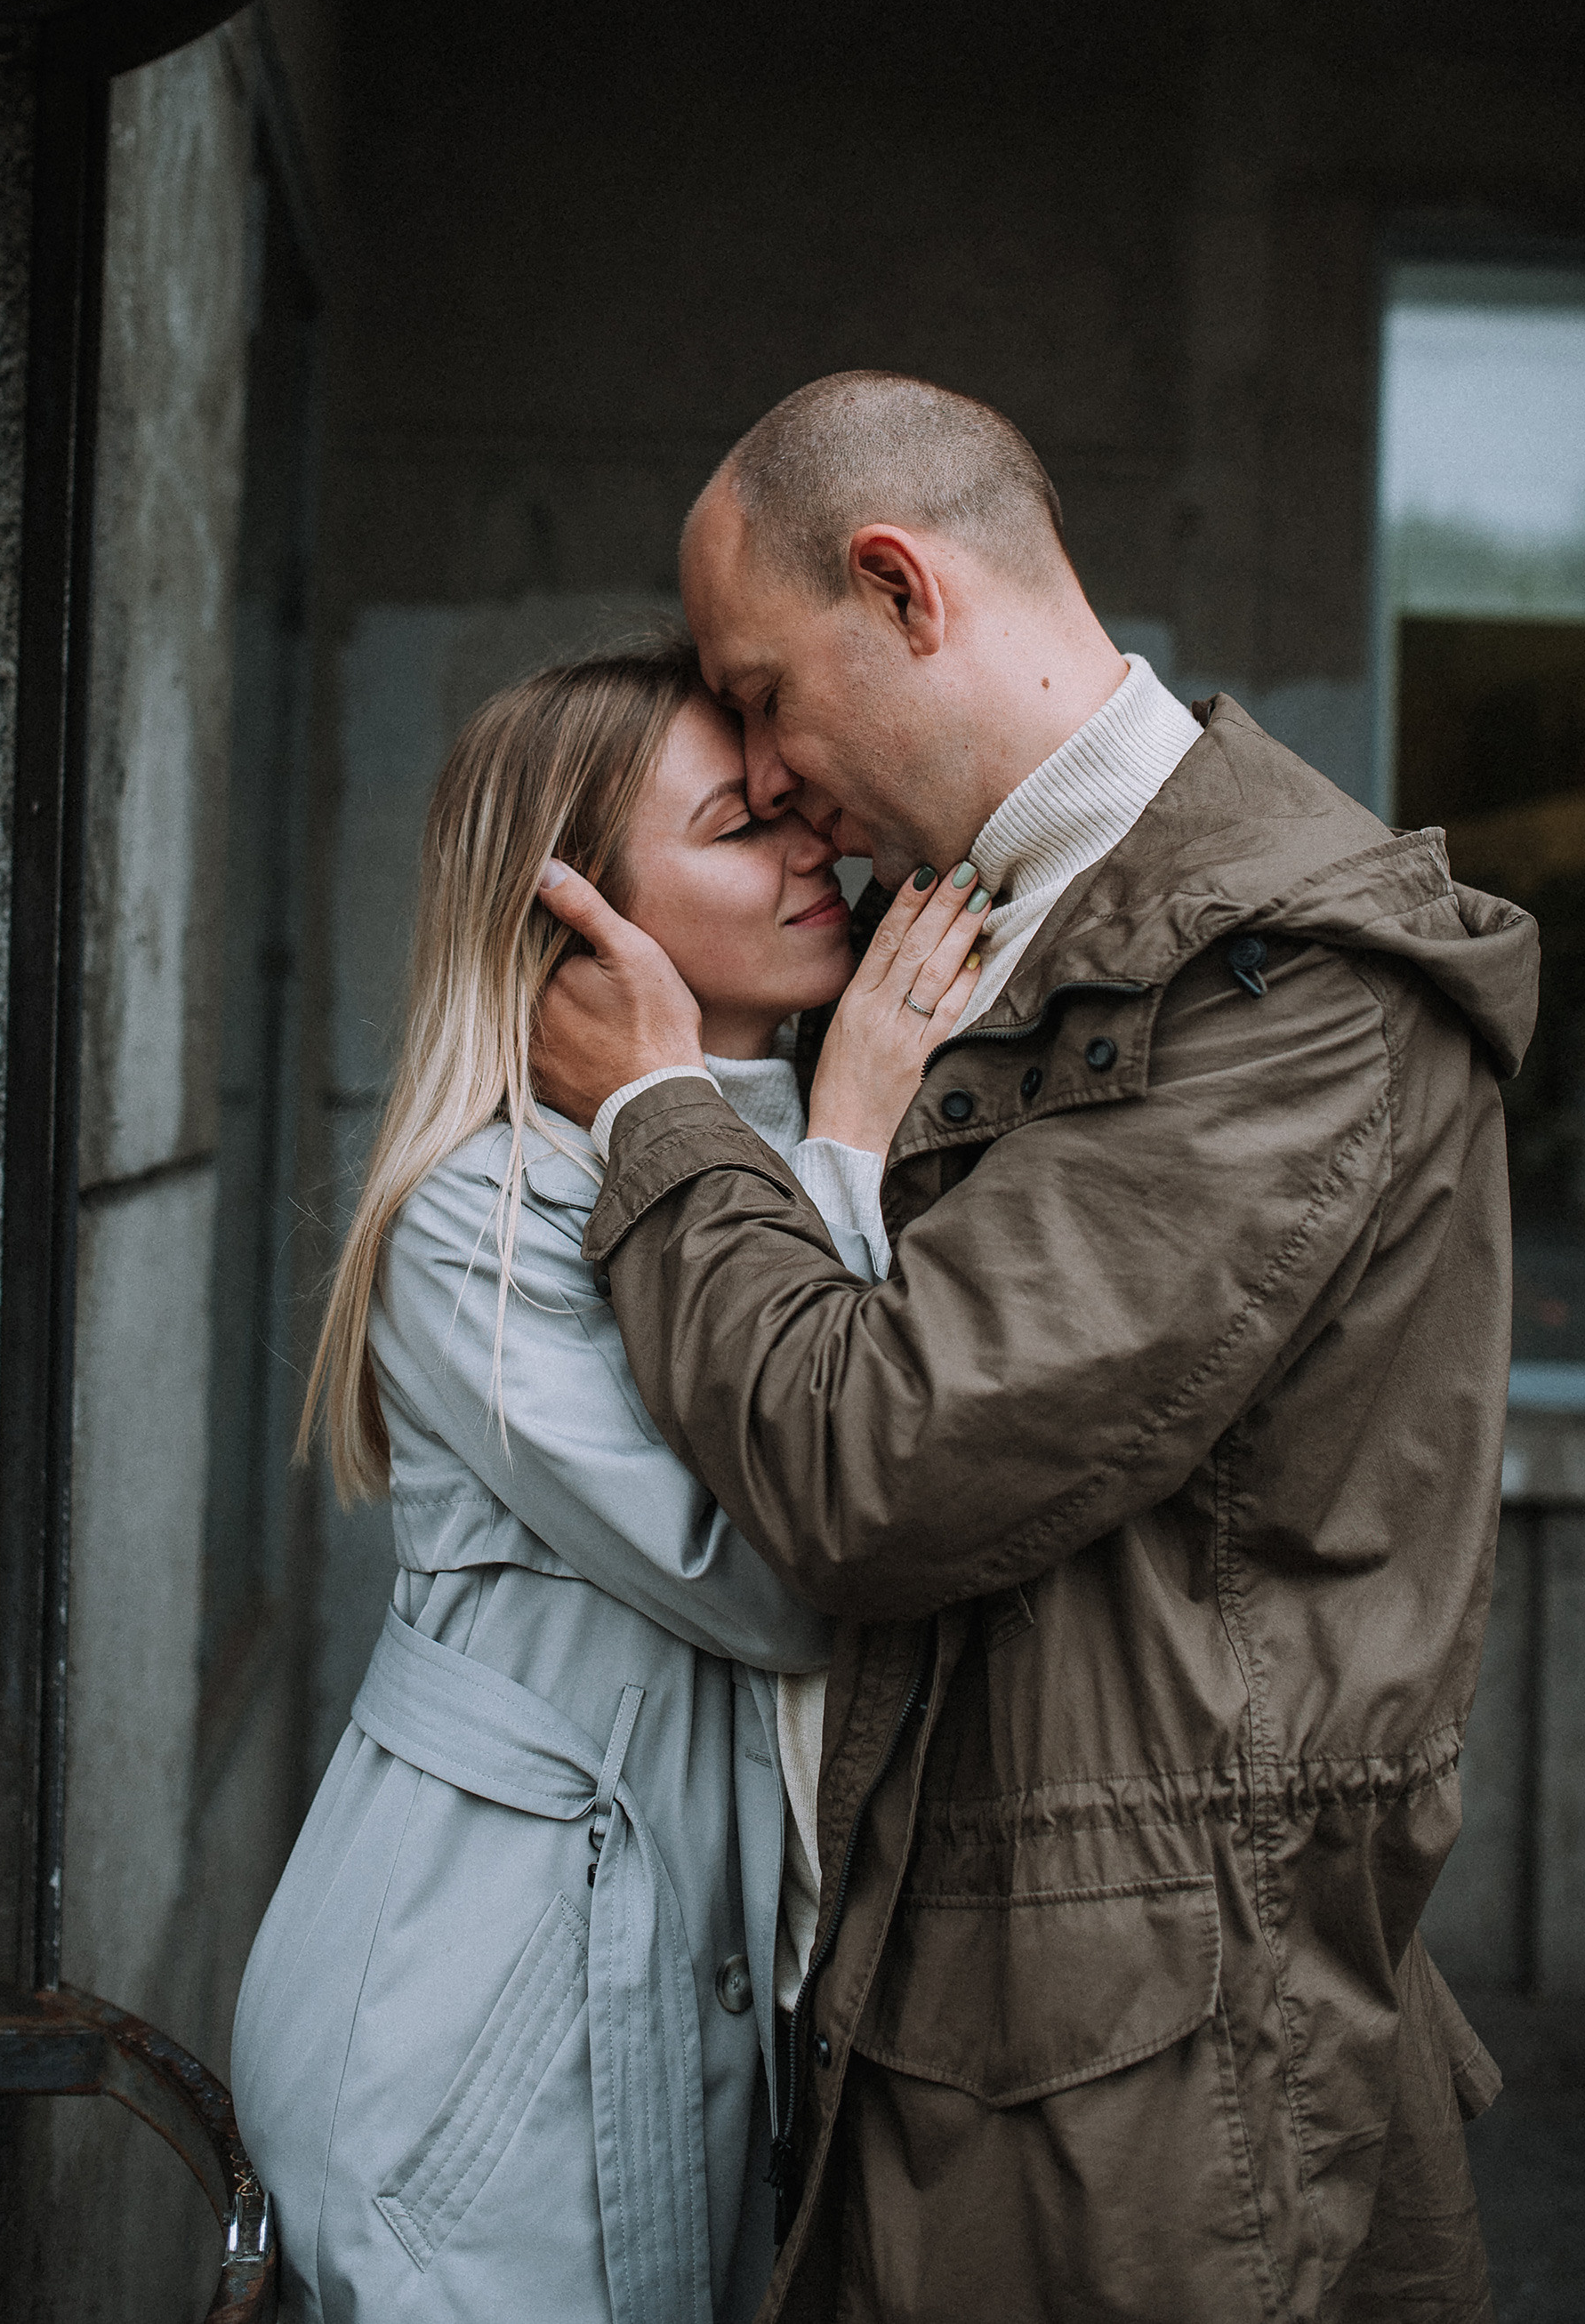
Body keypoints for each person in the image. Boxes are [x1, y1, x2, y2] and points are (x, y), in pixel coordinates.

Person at [532, 371, 1541, 2324]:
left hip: (1145, 2096)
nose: (755, 756)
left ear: (904, 589)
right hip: (983, 2018)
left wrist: (659, 1117)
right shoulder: (971, 920)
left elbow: (875, 1461)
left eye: (757, 689)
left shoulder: (1286, 984)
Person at [230, 639, 986, 2324]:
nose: (819, 854)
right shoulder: (479, 1219)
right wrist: (848, 1145)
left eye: (795, 813)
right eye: (739, 827)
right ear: (580, 921)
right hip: (473, 2056)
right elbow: (789, 1565)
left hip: (648, 2010)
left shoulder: (805, 1135)